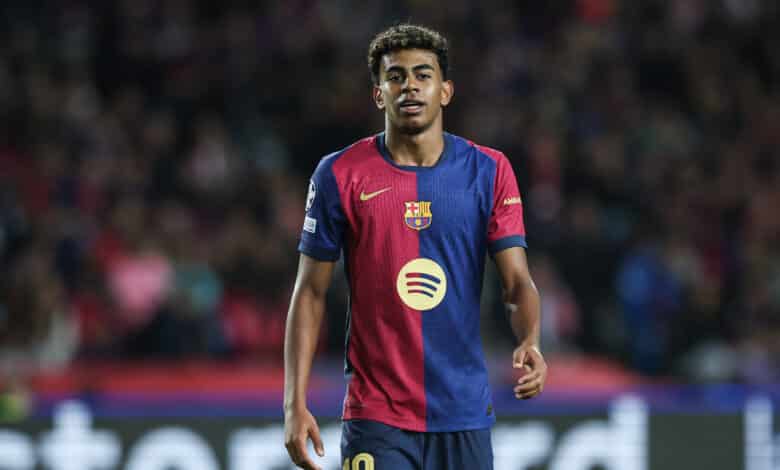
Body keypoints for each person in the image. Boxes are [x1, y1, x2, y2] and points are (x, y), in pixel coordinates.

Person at [284, 23, 547, 470]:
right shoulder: (339, 174)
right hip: (376, 415)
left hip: (463, 412)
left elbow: (517, 281)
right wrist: (294, 403)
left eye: (423, 75)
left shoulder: (489, 171)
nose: (409, 86)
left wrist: (531, 340)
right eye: (396, 76)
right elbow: (309, 292)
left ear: (445, 91)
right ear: (378, 94)